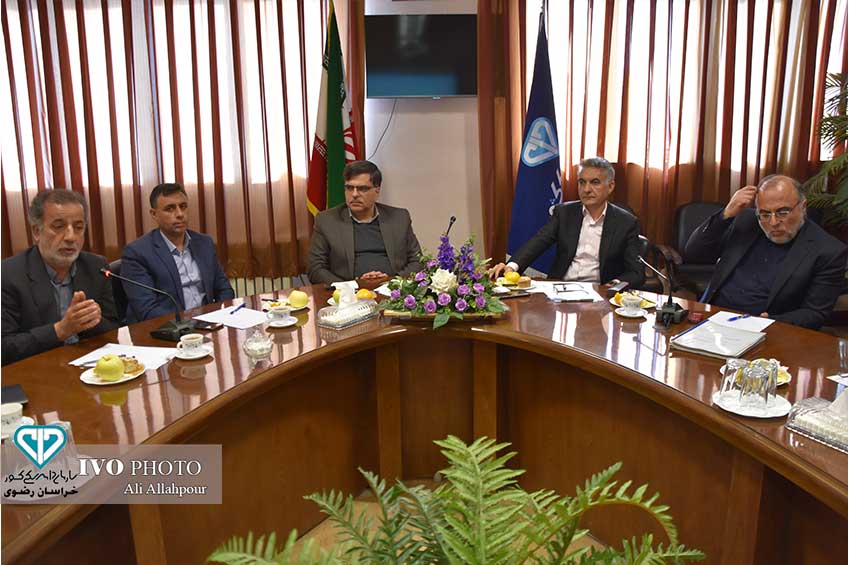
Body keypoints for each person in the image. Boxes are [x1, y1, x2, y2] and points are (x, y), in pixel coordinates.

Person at [685, 174, 847, 330]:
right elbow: (694, 254)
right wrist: (725, 214)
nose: (773, 222)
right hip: (714, 316)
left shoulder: (828, 251)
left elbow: (815, 314)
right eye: (765, 214)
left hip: (767, 329)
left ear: (803, 207)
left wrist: (769, 322)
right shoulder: (746, 221)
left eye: (783, 212)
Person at [2, 190, 119, 365]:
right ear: (37, 231)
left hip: (89, 366)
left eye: (78, 227)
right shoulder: (8, 275)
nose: (71, 237)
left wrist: (95, 320)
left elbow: (113, 328)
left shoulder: (96, 266)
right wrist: (60, 330)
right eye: (58, 226)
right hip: (37, 371)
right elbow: (4, 348)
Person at [489, 157, 645, 288]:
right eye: (582, 182)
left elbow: (636, 272)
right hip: (561, 289)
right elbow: (538, 243)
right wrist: (512, 266)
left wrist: (614, 285)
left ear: (610, 186)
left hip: (600, 293)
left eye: (595, 182)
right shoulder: (564, 213)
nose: (586, 189)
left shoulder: (626, 222)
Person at [121, 183, 234, 323]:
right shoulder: (137, 253)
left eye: (183, 206)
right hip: (167, 329)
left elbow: (224, 289)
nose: (180, 214)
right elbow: (147, 310)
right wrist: (189, 323)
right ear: (154, 214)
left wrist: (220, 317)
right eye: (170, 209)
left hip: (208, 324)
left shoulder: (204, 243)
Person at [308, 160, 423, 283]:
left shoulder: (399, 218)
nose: (354, 194)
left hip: (392, 291)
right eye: (349, 188)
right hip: (348, 292)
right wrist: (349, 287)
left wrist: (392, 283)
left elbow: (418, 261)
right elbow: (315, 268)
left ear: (377, 191)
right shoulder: (327, 221)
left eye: (362, 189)